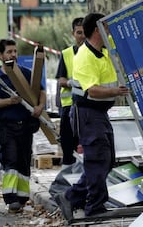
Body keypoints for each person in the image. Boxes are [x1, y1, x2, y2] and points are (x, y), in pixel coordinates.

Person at [55, 13, 129, 221]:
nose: (109, 30)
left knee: (106, 161)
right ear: (97, 30)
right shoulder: (85, 57)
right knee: (97, 160)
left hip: (98, 114)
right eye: (105, 26)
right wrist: (117, 91)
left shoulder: (102, 50)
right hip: (87, 114)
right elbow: (93, 91)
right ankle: (94, 206)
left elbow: (122, 38)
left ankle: (72, 197)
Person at [0, 38, 46, 213]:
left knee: (23, 160)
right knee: (10, 160)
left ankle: (22, 198)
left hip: (26, 126)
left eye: (15, 51)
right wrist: (9, 101)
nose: (13, 55)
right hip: (7, 126)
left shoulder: (26, 73)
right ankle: (11, 198)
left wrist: (40, 107)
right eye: (9, 52)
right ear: (0, 55)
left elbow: (41, 91)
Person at [55, 17, 85, 169]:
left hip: (87, 105)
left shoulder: (95, 53)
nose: (82, 36)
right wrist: (69, 83)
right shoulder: (67, 54)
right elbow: (60, 80)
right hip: (69, 106)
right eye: (79, 32)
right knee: (68, 142)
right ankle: (67, 169)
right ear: (73, 33)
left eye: (85, 32)